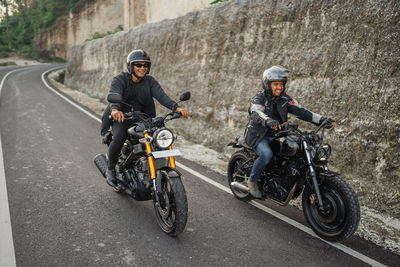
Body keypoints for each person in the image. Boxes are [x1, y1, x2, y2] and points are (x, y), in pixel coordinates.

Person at [244, 66, 336, 198]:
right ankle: (252, 181)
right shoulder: (259, 98)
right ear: (267, 84)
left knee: (295, 150)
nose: (279, 87)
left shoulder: (285, 99)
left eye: (281, 84)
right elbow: (256, 112)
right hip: (259, 136)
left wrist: (321, 120)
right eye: (275, 84)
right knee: (266, 154)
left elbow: (302, 112)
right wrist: (268, 121)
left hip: (278, 134)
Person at [104, 49, 189, 187]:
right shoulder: (120, 79)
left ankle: (154, 170)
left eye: (145, 65)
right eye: (138, 65)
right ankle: (111, 169)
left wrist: (176, 108)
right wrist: (115, 109)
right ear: (131, 66)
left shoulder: (150, 81)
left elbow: (162, 97)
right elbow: (114, 93)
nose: (142, 68)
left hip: (145, 118)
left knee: (157, 139)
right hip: (123, 117)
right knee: (119, 137)